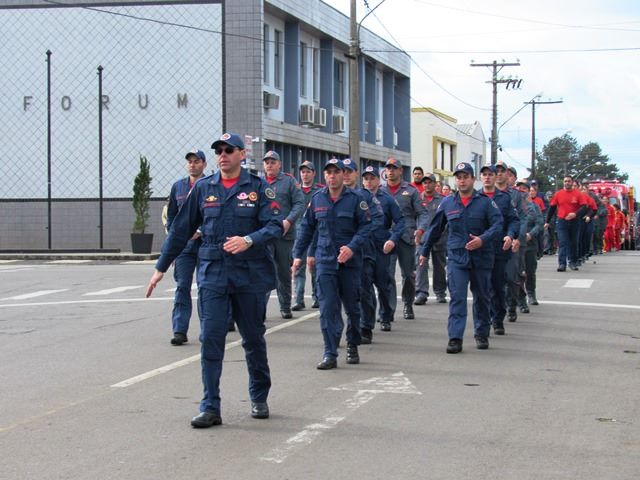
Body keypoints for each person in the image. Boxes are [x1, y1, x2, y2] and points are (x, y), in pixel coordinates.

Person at [146, 132, 283, 428]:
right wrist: (161, 267)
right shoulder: (204, 188)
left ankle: (259, 397)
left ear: (241, 155)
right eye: (219, 150)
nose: (223, 155)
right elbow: (181, 229)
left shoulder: (258, 189)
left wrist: (249, 239)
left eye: (229, 150)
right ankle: (210, 405)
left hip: (249, 276)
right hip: (213, 274)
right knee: (210, 339)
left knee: (253, 339)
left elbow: (275, 226)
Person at [292, 159, 372, 369]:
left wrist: (352, 247)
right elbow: (307, 229)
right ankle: (330, 352)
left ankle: (353, 344)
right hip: (325, 261)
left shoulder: (355, 199)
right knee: (327, 308)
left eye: (336, 172)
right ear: (324, 176)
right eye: (329, 173)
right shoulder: (318, 199)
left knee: (353, 308)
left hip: (350, 263)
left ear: (343, 175)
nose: (332, 176)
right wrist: (298, 255)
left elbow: (366, 227)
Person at [420, 162, 503, 353]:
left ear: (473, 179)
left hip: (481, 257)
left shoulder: (485, 202)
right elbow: (435, 229)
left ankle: (481, 333)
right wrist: (424, 251)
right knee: (457, 297)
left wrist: (482, 239)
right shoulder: (448, 202)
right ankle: (455, 337)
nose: (462, 180)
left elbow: (497, 225)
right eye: (459, 177)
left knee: (482, 297)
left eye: (466, 176)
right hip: (457, 257)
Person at [165, 149, 207, 346]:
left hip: (206, 245)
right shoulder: (178, 187)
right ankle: (179, 329)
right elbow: (172, 217)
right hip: (184, 247)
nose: (192, 164)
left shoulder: (211, 185)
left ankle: (209, 328)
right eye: (190, 161)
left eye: (196, 161)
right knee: (182, 286)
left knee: (207, 286)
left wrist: (201, 230)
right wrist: (173, 245)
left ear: (204, 164)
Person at [360, 165, 404, 339]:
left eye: (372, 178)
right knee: (365, 285)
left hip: (381, 246)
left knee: (383, 283)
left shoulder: (387, 199)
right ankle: (367, 322)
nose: (369, 182)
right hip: (364, 247)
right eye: (366, 179)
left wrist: (392, 240)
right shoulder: (357, 197)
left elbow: (400, 222)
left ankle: (385, 315)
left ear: (379, 180)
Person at [381, 158, 428, 320]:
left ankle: (408, 303)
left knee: (408, 274)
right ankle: (388, 310)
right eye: (388, 168)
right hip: (387, 237)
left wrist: (420, 229)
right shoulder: (381, 190)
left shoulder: (411, 191)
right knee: (386, 274)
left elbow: (422, 213)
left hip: (407, 237)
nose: (391, 171)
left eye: (394, 168)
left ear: (401, 171)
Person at [262, 150, 305, 319]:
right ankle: (260, 309)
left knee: (283, 273)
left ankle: (285, 306)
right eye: (267, 162)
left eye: (273, 162)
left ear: (279, 164)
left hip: (284, 235)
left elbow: (299, 203)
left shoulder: (289, 181)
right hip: (265, 235)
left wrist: (289, 221)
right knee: (264, 271)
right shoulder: (259, 182)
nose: (270, 165)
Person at [479, 164, 519, 336]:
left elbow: (514, 220)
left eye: (490, 174)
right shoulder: (475, 197)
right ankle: (485, 319)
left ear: (496, 177)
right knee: (482, 286)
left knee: (497, 285)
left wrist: (510, 235)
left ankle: (498, 319)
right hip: (480, 248)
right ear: (480, 178)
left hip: (499, 248)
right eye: (484, 175)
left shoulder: (504, 198)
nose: (487, 177)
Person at [292, 160, 322, 311]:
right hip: (298, 233)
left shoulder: (319, 191)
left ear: (314, 173)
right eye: (303, 172)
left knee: (314, 266)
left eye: (308, 171)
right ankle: (298, 299)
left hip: (315, 233)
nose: (305, 174)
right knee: (298, 266)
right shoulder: (296, 190)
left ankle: (317, 297)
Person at [414, 172, 447, 305]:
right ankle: (421, 292)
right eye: (424, 182)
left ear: (435, 184)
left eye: (429, 182)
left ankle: (440, 292)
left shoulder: (443, 199)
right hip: (422, 239)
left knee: (439, 266)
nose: (427, 185)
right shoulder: (417, 199)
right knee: (421, 266)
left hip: (439, 238)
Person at [545, 175, 588, 271]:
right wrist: (547, 221)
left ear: (572, 182)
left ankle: (572, 262)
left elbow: (584, 207)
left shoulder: (578, 194)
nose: (567, 183)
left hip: (575, 221)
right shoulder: (558, 194)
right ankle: (562, 264)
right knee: (563, 242)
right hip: (562, 221)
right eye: (565, 181)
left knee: (574, 243)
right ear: (563, 182)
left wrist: (575, 214)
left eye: (569, 181)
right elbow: (552, 208)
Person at [516, 179, 544, 308]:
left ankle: (531, 293)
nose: (521, 191)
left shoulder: (534, 207)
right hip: (517, 243)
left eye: (524, 189)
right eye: (519, 189)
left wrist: (530, 234)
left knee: (530, 270)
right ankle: (520, 298)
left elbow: (539, 224)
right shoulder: (513, 205)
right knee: (517, 272)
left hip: (530, 243)